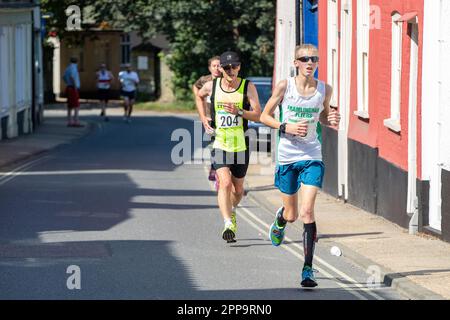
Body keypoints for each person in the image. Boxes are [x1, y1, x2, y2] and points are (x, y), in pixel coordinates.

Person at [260, 44, 341, 287]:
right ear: (295, 62)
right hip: (287, 156)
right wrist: (286, 127)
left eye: (314, 59)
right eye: (304, 59)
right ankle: (281, 219)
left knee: (307, 212)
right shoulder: (285, 86)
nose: (309, 62)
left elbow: (323, 116)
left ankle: (307, 269)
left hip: (312, 154)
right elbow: (265, 116)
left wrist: (331, 119)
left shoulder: (324, 89)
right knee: (292, 214)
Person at [197, 51, 262, 243]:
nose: (231, 70)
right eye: (226, 67)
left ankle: (231, 211)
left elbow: (258, 114)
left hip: (240, 144)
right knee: (224, 183)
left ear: (239, 67)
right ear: (220, 69)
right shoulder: (212, 86)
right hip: (220, 142)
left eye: (234, 66)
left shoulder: (247, 86)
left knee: (238, 189)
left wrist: (239, 111)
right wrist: (203, 117)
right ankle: (227, 223)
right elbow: (199, 95)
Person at [192, 56, 222, 182]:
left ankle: (221, 168)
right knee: (213, 144)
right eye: (214, 66)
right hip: (209, 118)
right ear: (210, 68)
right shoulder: (205, 80)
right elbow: (195, 86)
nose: (216, 68)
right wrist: (199, 97)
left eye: (219, 65)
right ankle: (214, 166)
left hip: (223, 117)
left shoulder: (226, 80)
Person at [62, 57, 83, 127]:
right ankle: (76, 121)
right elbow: (72, 77)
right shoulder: (74, 68)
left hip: (69, 87)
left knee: (70, 106)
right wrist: (75, 86)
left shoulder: (68, 68)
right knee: (76, 105)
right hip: (73, 88)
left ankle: (69, 121)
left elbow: (64, 77)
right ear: (76, 62)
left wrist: (67, 82)